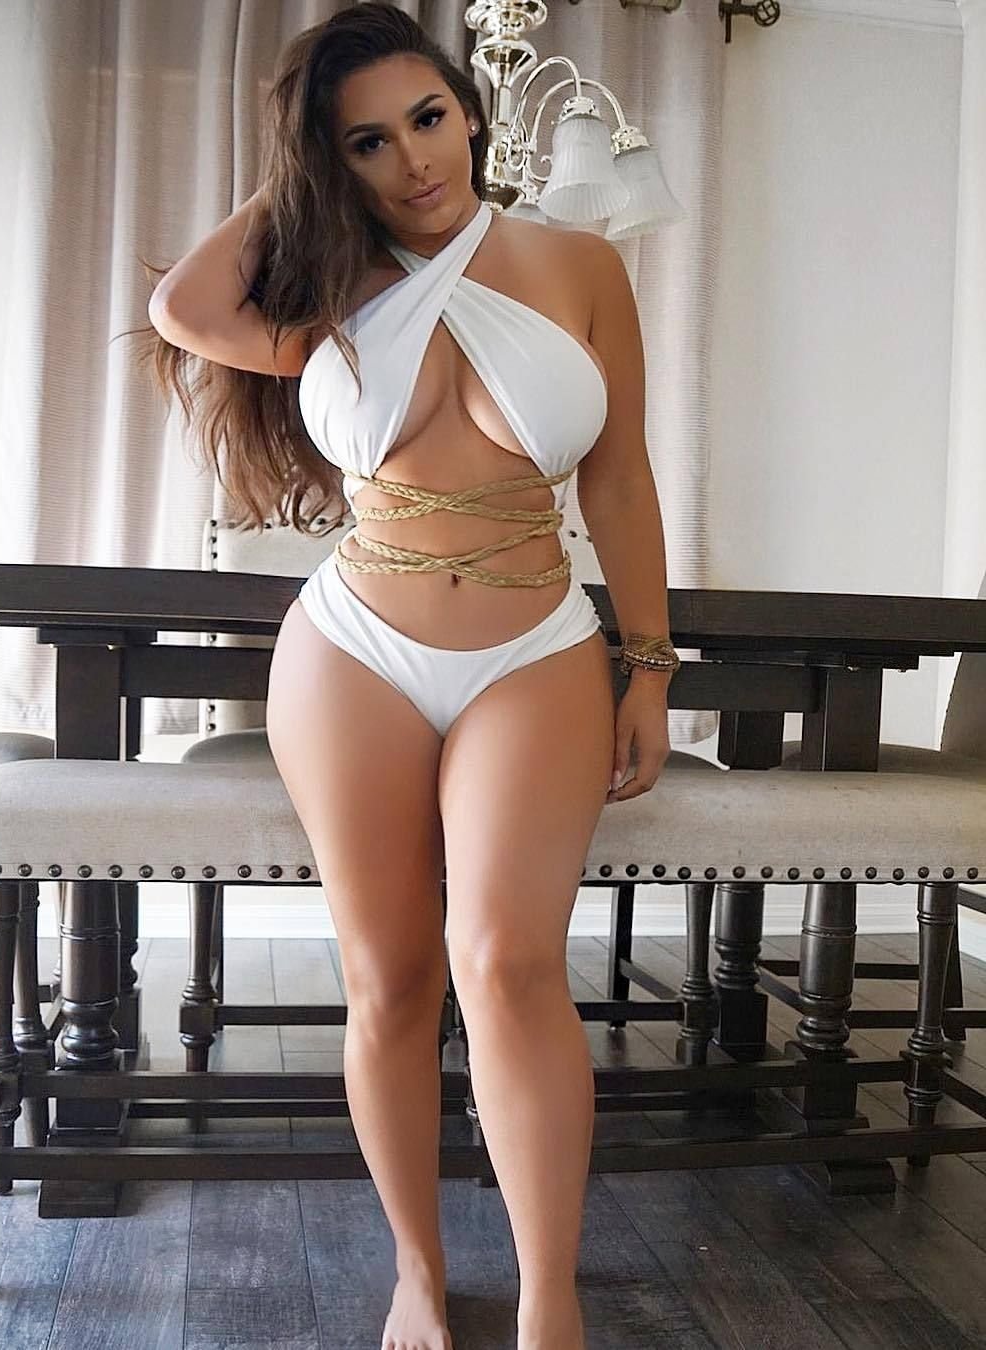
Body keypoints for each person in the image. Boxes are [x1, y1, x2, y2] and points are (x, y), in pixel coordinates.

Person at [140, 6, 678, 1347]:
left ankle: (548, 1297)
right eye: (366, 142)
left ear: (473, 115)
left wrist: (650, 666)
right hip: (356, 649)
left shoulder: (579, 266)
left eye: (428, 119)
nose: (414, 160)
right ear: (333, 162)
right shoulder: (333, 291)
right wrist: (301, 169)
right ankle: (418, 1277)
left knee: (505, 962)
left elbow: (620, 478)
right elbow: (182, 308)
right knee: (387, 977)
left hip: (532, 645)